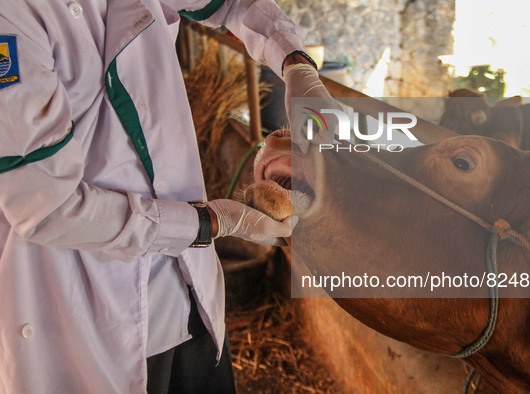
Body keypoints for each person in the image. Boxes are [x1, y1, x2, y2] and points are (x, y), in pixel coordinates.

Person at [0, 1, 331, 392]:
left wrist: (294, 61)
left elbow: (231, 4)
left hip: (189, 284)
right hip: (93, 302)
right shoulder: (14, 18)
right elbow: (48, 207)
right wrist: (209, 222)